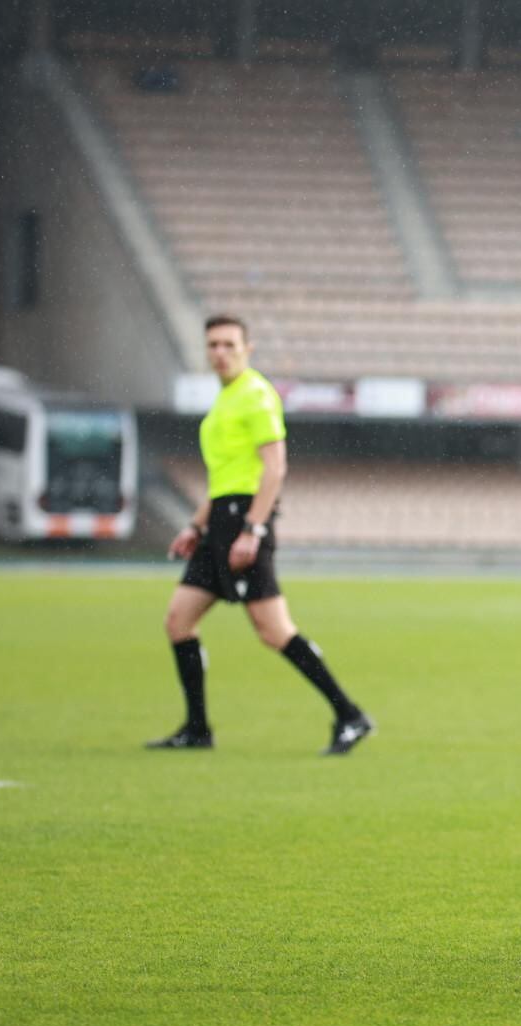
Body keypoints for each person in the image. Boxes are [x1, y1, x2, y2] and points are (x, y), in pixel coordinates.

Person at [147, 314, 375, 755]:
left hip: (245, 522)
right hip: (219, 521)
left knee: (273, 630)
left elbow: (274, 468)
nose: (221, 353)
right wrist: (196, 525)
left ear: (247, 350)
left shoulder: (256, 395)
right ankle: (197, 729)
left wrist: (252, 529)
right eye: (213, 345)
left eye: (230, 345)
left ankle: (350, 715)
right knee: (178, 621)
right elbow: (224, 481)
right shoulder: (223, 403)